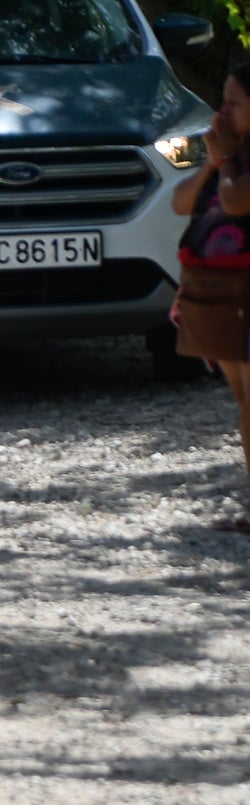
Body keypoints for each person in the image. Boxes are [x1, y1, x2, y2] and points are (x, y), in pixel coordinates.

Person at [171, 62, 250, 523]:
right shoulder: (229, 157)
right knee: (242, 399)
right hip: (222, 294)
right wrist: (213, 164)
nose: (222, 111)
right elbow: (182, 202)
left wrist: (223, 164)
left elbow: (238, 201)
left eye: (235, 102)